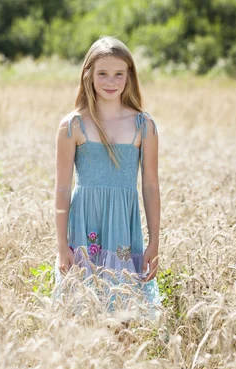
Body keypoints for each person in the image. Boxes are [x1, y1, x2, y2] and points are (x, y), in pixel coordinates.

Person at [54, 36, 161, 311]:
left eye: (118, 74)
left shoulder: (143, 125)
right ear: (88, 74)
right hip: (84, 229)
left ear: (129, 77)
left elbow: (150, 186)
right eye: (102, 73)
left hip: (124, 230)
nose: (110, 81)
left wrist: (154, 242)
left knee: (125, 316)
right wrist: (61, 246)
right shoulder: (72, 125)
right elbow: (62, 189)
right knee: (81, 313)